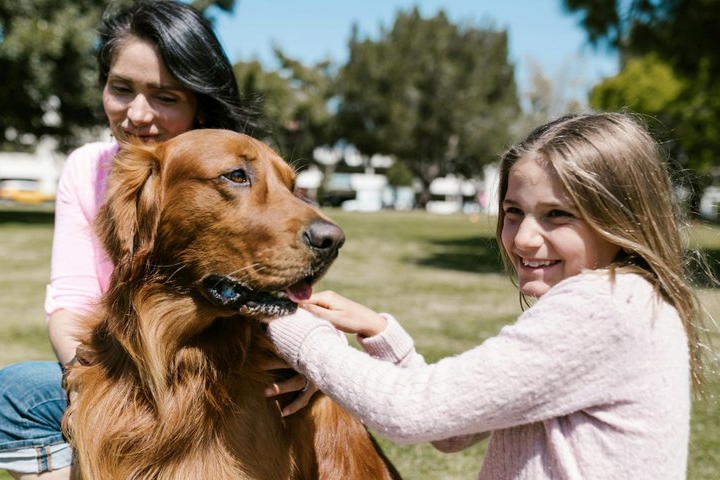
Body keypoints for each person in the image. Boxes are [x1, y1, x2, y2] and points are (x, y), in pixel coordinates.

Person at [265, 112, 710, 478]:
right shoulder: (632, 301)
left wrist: (286, 318)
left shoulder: (606, 308)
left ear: (621, 218)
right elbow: (450, 432)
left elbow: (408, 412)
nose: (524, 239)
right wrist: (383, 335)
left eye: (558, 215)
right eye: (514, 212)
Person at [0, 1, 312, 478]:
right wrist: (85, 389)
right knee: (15, 392)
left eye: (166, 96)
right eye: (121, 89)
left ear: (199, 102)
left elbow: (290, 291)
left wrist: (315, 363)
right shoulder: (87, 167)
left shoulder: (240, 166)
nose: (137, 114)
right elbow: (70, 300)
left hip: (223, 373)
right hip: (121, 363)